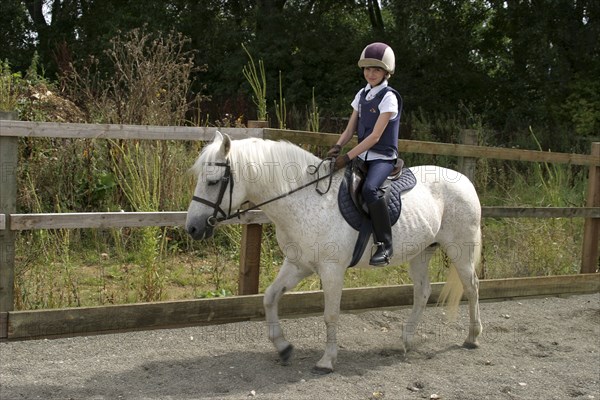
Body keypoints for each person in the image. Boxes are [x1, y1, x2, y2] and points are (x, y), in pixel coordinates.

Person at [328, 42, 402, 266]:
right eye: (367, 69)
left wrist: (347, 157)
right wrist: (337, 147)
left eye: (376, 69)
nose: (371, 73)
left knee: (370, 190)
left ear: (386, 72)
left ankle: (385, 245)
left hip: (383, 157)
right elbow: (351, 129)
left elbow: (375, 137)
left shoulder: (389, 97)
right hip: (362, 156)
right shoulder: (362, 94)